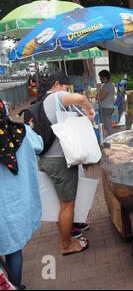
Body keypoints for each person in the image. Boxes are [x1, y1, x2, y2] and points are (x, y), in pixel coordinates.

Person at [38, 71, 95, 256]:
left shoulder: (41, 102)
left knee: (60, 204)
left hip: (46, 159)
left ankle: (67, 238)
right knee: (67, 205)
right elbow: (80, 98)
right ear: (57, 84)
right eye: (65, 87)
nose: (66, 91)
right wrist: (89, 108)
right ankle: (66, 245)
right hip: (59, 161)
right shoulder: (56, 96)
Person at [0, 99, 43, 290]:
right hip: (14, 208)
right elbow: (40, 145)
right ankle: (14, 286)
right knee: (14, 250)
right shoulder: (21, 132)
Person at [98, 70, 115, 137]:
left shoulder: (107, 86)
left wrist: (97, 96)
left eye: (100, 78)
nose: (100, 79)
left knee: (107, 125)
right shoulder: (109, 85)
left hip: (106, 108)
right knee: (107, 124)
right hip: (108, 107)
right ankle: (108, 137)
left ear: (105, 77)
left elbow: (101, 97)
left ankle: (112, 139)